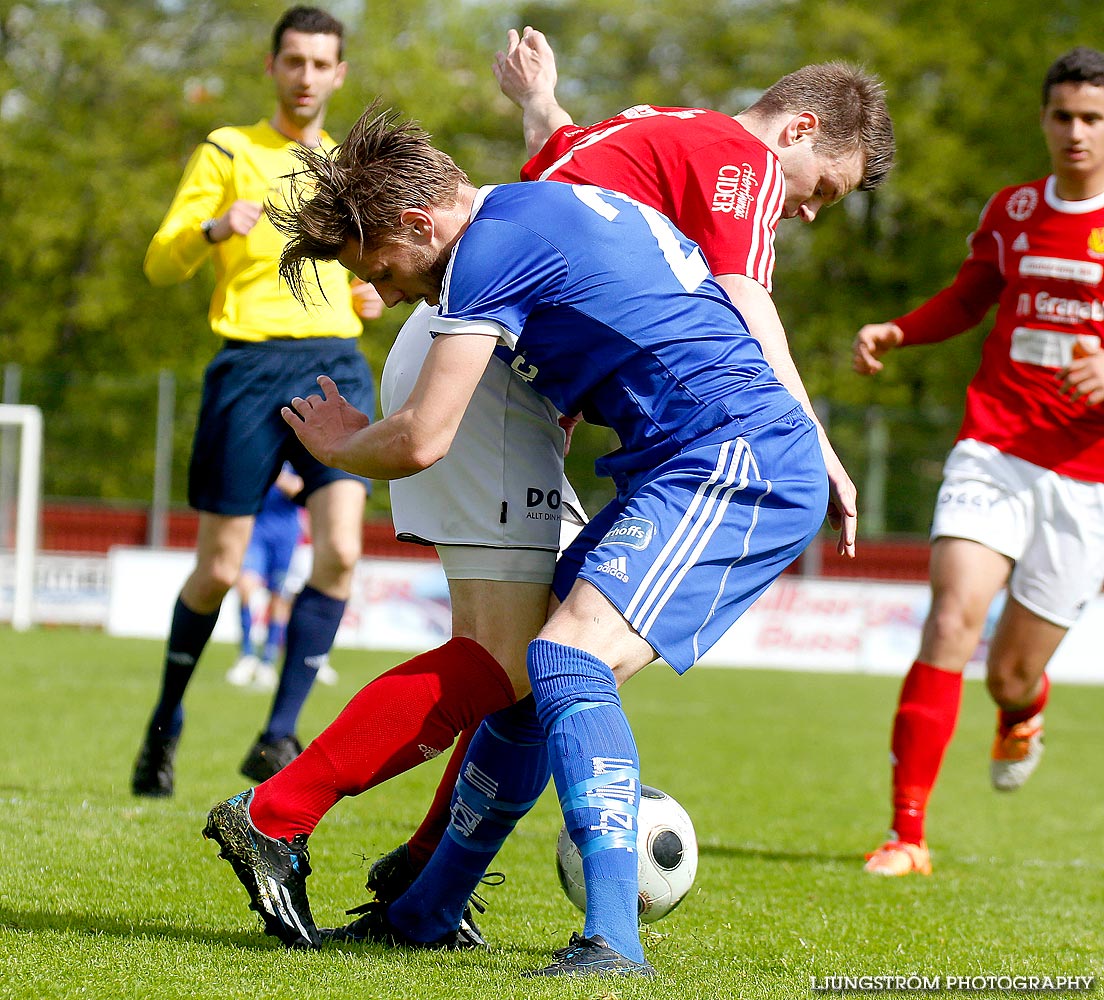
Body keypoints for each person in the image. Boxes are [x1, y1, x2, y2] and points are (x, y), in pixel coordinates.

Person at [202, 102, 831, 977]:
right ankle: (425, 909)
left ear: (422, 221)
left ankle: (610, 940)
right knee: (531, 674)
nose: (388, 288)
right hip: (687, 461)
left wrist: (340, 444)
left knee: (562, 662)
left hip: (736, 461)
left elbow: (424, 436)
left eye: (383, 263)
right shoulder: (537, 209)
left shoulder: (489, 248)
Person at [323, 26, 894, 919]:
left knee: (529, 667)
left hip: (484, 355)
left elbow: (551, 169)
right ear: (797, 130)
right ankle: (550, 911)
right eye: (824, 188)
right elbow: (747, 298)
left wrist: (540, 103)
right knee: (548, 658)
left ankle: (427, 895)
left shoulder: (647, 136)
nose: (810, 211)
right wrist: (815, 439)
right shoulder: (741, 161)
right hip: (487, 369)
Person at [854, 46, 1104, 877]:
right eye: (1064, 115)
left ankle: (1022, 707)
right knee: (951, 618)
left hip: (1087, 479)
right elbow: (971, 294)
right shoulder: (1017, 210)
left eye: (1093, 119)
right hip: (993, 446)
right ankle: (906, 835)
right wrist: (902, 328)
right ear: (1044, 119)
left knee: (1009, 672)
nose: (1076, 132)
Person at [131, 6, 384, 798]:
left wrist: (370, 291)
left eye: (321, 64)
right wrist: (212, 228)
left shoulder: (350, 166)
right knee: (220, 566)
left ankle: (279, 735)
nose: (307, 76)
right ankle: (163, 725)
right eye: (295, 61)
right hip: (248, 369)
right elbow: (158, 266)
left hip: (335, 367)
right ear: (271, 67)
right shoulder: (229, 151)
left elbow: (378, 264)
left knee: (342, 552)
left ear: (339, 73)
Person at [226, 463, 306, 692]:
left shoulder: (295, 454)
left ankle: (268, 661)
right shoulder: (259, 448)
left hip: (285, 537)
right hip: (254, 531)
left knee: (279, 598)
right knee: (244, 587)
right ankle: (247, 655)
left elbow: (297, 489)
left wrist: (274, 473)